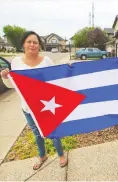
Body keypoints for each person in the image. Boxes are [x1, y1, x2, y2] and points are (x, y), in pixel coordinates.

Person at [0, 31, 68, 170]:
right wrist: (5, 77)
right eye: (29, 41)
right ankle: (42, 156)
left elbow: (55, 78)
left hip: (47, 106)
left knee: (53, 132)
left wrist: (67, 70)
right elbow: (14, 86)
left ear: (39, 45)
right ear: (23, 44)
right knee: (37, 134)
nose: (32, 44)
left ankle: (61, 154)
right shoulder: (16, 62)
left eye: (35, 42)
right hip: (28, 108)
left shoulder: (46, 61)